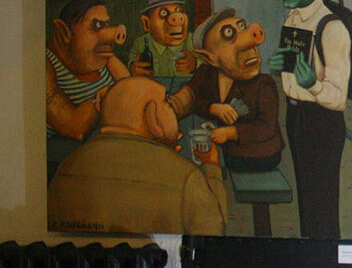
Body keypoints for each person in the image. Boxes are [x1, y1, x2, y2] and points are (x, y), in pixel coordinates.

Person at [48, 76, 227, 235]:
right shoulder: (187, 177)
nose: (173, 111)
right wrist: (212, 170)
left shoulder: (68, 165)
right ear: (153, 117)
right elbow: (214, 232)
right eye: (167, 103)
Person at [263, 0, 350, 238]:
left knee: (322, 203)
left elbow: (338, 98)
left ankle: (324, 252)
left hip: (321, 122)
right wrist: (281, 68)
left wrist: (312, 83)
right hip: (297, 117)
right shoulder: (294, 18)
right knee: (306, 199)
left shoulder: (332, 27)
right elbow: (294, 67)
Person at [167, 7, 283, 172]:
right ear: (209, 58)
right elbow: (193, 100)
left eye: (242, 27)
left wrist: (232, 133)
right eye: (229, 34)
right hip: (226, 153)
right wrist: (212, 108)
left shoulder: (264, 85)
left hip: (260, 156)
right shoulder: (206, 74)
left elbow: (266, 128)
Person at [45, 0, 130, 182]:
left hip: (102, 149)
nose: (107, 33)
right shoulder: (46, 64)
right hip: (62, 164)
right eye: (96, 26)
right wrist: (109, 94)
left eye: (106, 25)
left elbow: (131, 89)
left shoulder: (102, 55)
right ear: (64, 32)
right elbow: (74, 127)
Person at [127, 0, 197, 79]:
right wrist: (133, 69)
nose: (177, 19)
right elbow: (131, 65)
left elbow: (208, 64)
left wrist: (196, 64)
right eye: (164, 13)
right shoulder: (141, 43)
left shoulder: (194, 41)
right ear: (147, 23)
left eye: (179, 11)